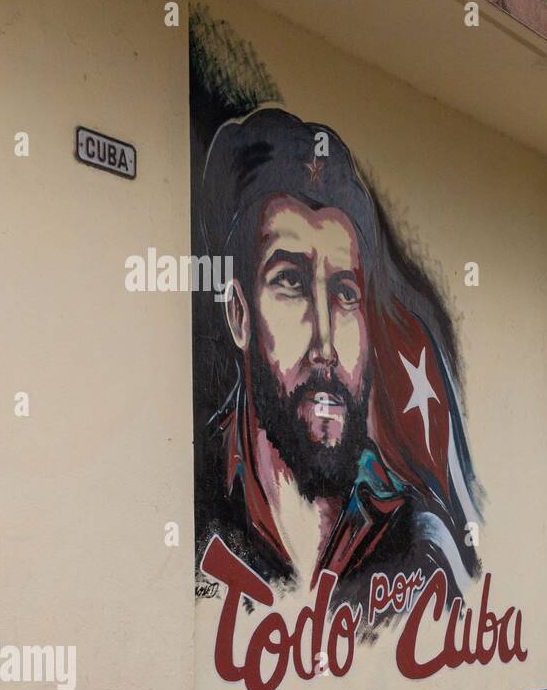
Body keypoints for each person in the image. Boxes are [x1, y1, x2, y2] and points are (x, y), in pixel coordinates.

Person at [195, 107, 480, 609]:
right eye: (291, 282)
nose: (325, 343)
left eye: (346, 294)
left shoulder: (415, 539)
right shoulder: (194, 501)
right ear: (239, 314)